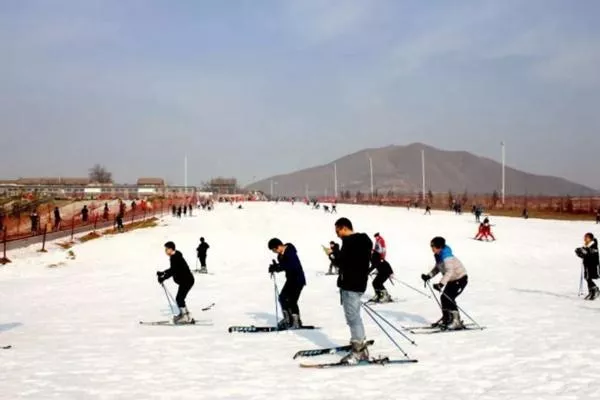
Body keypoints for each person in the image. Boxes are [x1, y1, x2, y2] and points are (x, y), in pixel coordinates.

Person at [333, 217, 373, 364]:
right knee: (354, 316)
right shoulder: (363, 241)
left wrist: (333, 254)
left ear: (344, 228)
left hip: (351, 284)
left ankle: (359, 352)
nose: (337, 234)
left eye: (337, 231)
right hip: (359, 283)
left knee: (352, 317)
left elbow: (342, 263)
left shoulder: (349, 243)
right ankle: (360, 346)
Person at [421, 237, 468, 330]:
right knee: (444, 297)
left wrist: (441, 284)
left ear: (439, 247)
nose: (431, 248)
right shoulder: (439, 255)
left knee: (449, 298)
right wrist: (428, 276)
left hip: (460, 279)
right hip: (452, 280)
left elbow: (449, 271)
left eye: (433, 246)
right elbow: (438, 268)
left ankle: (456, 321)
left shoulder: (447, 257)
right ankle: (447, 318)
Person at [268, 238, 306, 329]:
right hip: (290, 280)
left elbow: (291, 265)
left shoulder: (290, 251)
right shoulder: (280, 256)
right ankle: (287, 319)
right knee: (282, 297)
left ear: (278, 246)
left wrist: (278, 267)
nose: (275, 252)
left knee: (292, 300)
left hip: (298, 280)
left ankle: (296, 321)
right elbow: (284, 266)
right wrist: (275, 267)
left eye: (274, 250)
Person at [157, 242, 195, 323]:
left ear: (171, 249)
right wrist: (163, 273)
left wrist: (163, 278)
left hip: (187, 281)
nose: (165, 251)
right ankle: (186, 315)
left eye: (166, 249)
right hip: (186, 280)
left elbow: (173, 271)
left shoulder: (175, 257)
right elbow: (173, 269)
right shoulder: (175, 256)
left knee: (179, 298)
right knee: (180, 298)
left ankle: (185, 317)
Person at [575, 233, 599, 300]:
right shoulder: (586, 245)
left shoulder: (593, 244)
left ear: (590, 238)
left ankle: (595, 289)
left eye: (587, 237)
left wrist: (584, 251)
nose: (585, 238)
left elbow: (591, 252)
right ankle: (591, 291)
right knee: (587, 277)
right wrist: (579, 252)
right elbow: (584, 254)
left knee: (588, 277)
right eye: (584, 237)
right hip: (587, 264)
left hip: (593, 264)